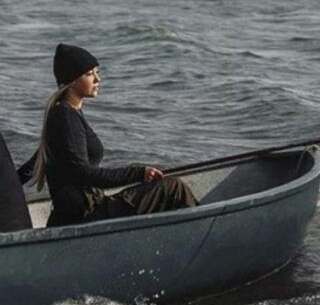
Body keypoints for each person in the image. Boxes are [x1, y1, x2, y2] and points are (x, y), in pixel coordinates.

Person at [17, 43, 198, 227]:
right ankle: (205, 231)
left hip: (84, 209)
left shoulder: (66, 114)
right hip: (85, 214)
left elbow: (33, 164)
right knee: (172, 188)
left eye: (97, 72)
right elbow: (84, 174)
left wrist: (2, 186)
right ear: (72, 82)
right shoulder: (65, 117)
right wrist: (138, 173)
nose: (97, 79)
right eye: (89, 74)